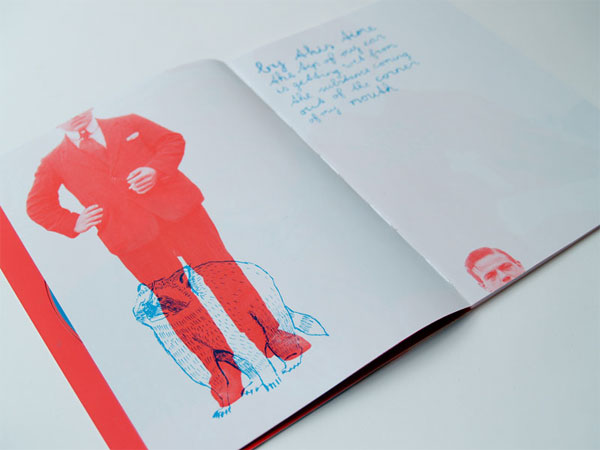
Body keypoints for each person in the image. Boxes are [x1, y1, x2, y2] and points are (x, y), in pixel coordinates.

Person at [26, 109, 310, 409]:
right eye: (64, 115)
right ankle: (222, 370)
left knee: (224, 274)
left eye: (78, 108)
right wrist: (72, 222)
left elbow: (171, 141)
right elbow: (37, 205)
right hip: (131, 238)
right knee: (175, 300)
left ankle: (271, 336)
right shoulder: (54, 162)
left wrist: (155, 169)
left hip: (183, 213)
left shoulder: (128, 122)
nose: (74, 117)